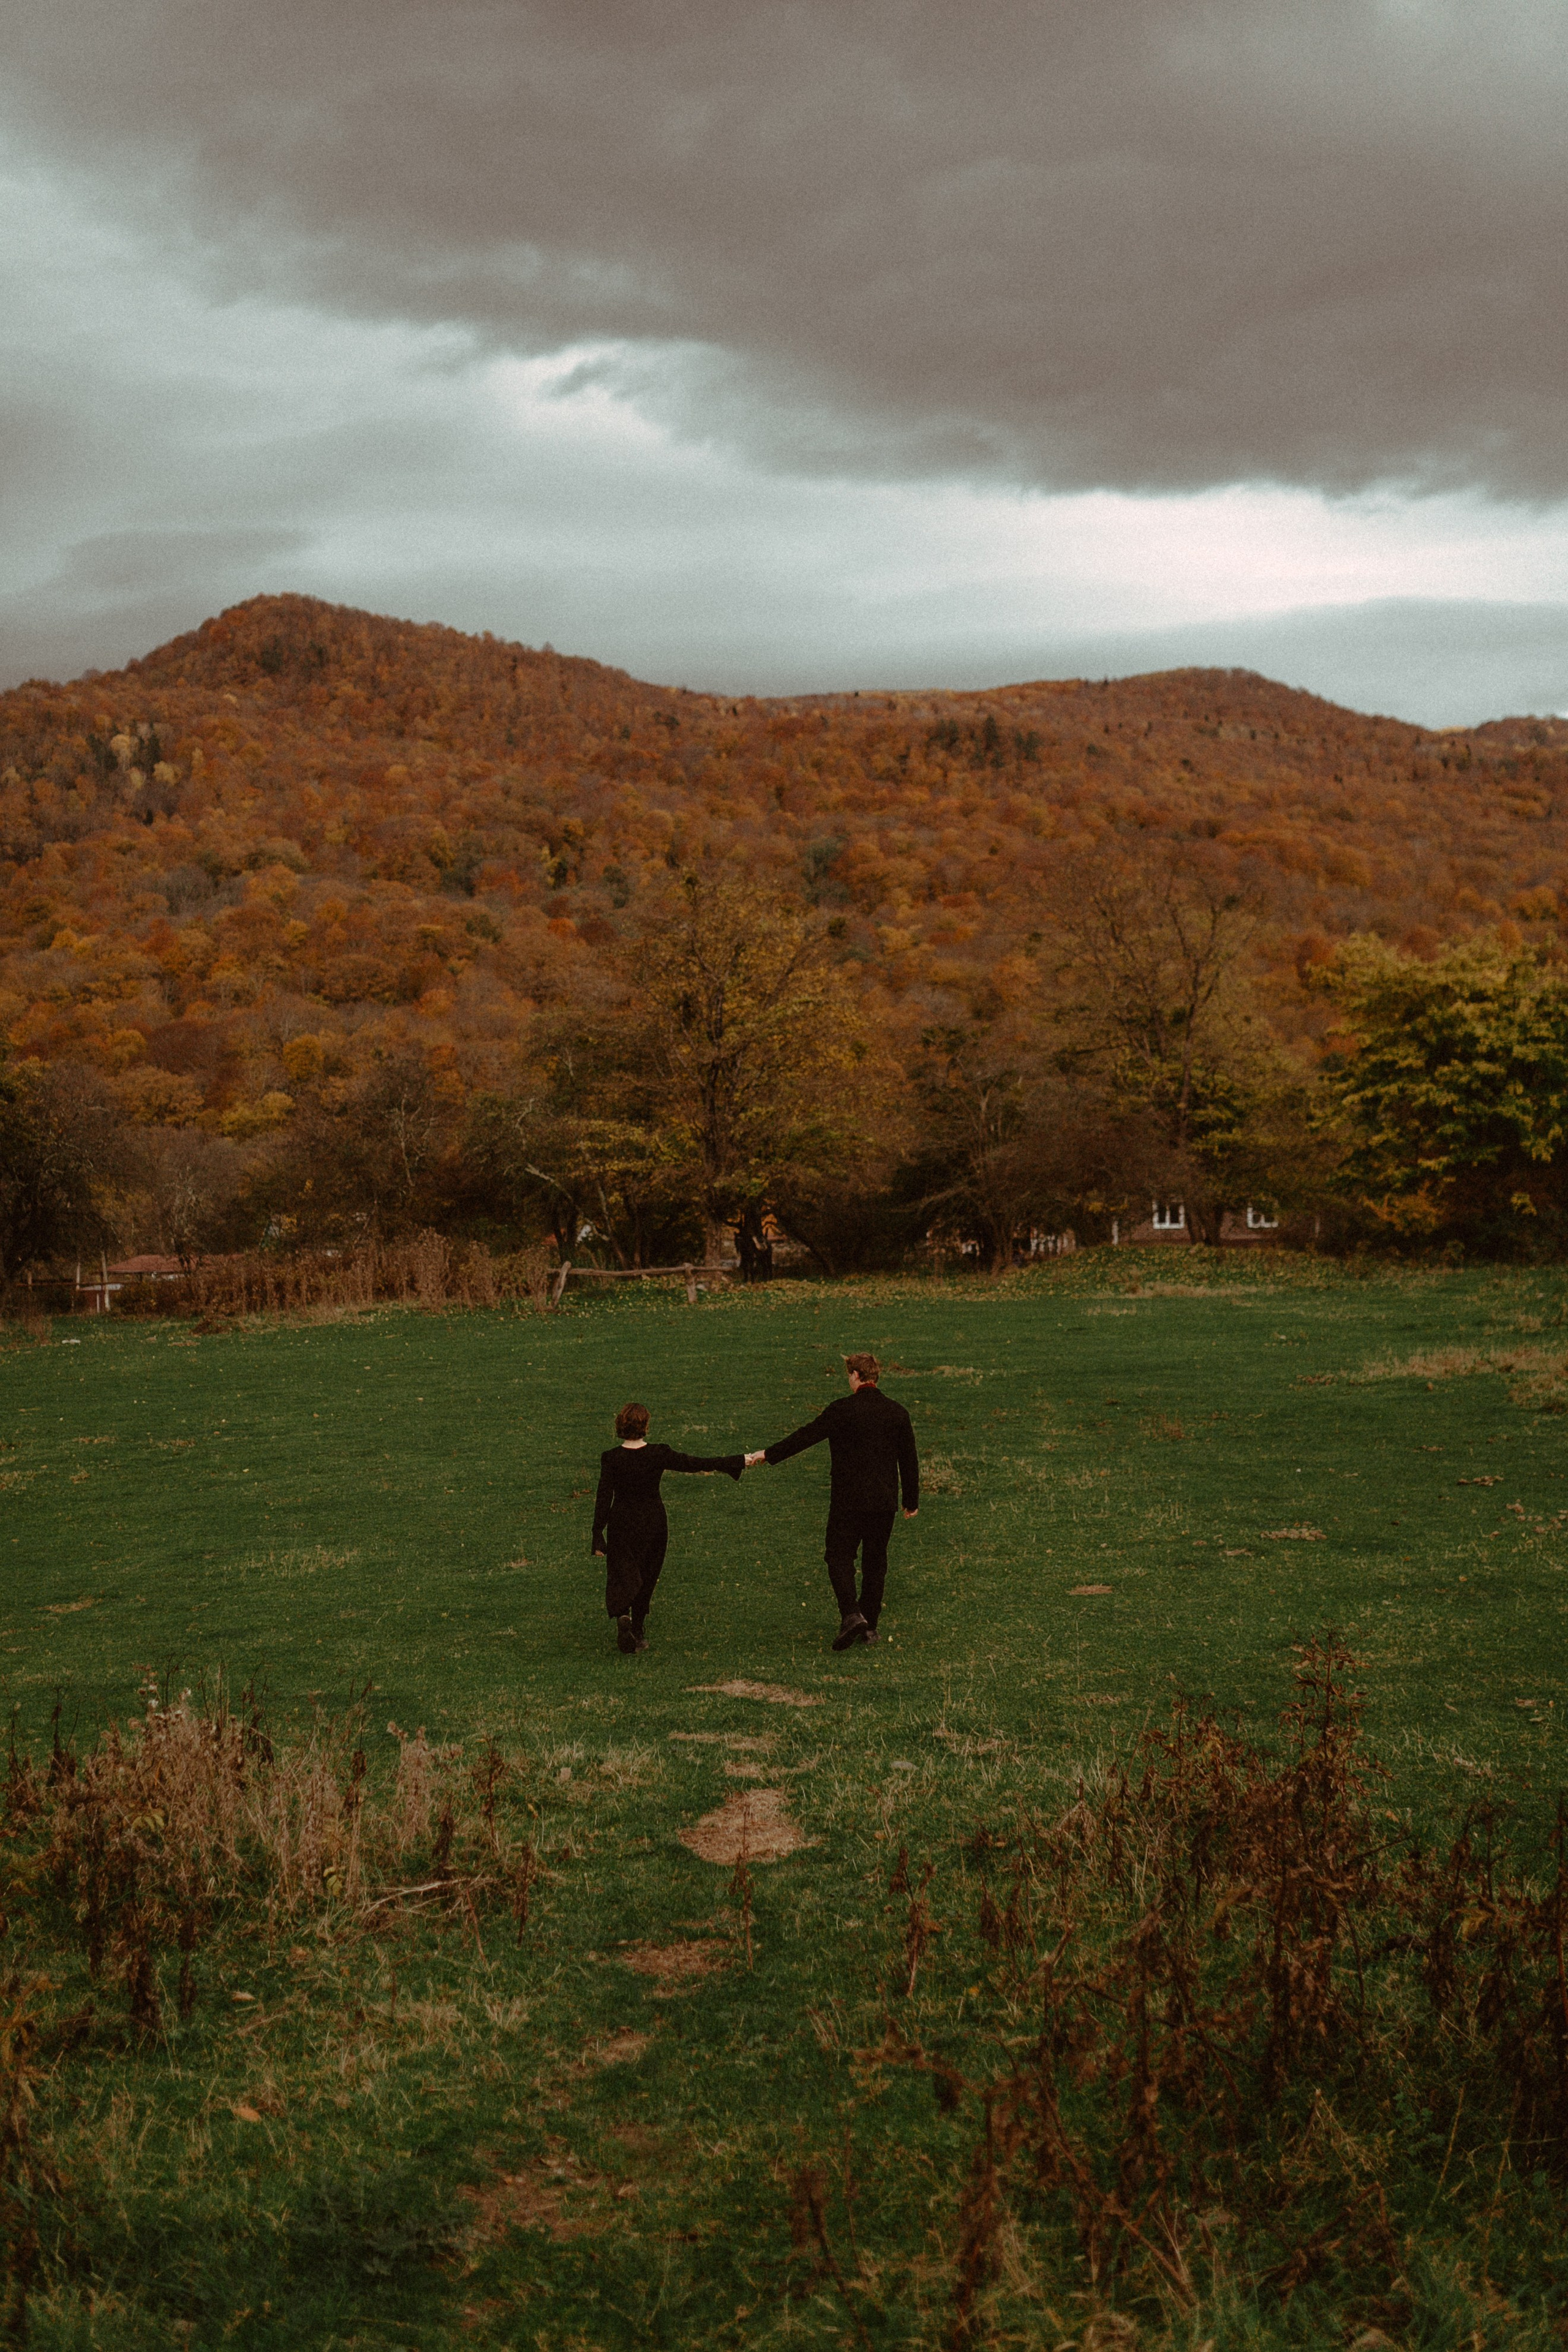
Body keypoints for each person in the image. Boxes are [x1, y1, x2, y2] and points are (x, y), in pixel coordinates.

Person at [747, 1352, 918, 1650]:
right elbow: (909, 1460)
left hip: (847, 1500)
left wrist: (769, 1454)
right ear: (876, 1376)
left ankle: (851, 1614)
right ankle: (870, 1625)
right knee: (875, 1561)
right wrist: (911, 1500)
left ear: (854, 1375)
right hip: (883, 1501)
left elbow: (806, 1436)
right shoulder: (897, 1412)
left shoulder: (842, 1410)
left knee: (839, 1556)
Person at [592, 1401, 744, 1654]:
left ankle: (623, 1614)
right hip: (653, 1521)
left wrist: (598, 1533)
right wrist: (733, 1462)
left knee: (622, 1571)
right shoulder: (658, 1453)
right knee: (648, 1573)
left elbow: (603, 1496)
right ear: (646, 1426)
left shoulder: (611, 1458)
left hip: (622, 1521)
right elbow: (693, 1463)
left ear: (619, 1425)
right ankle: (637, 1630)